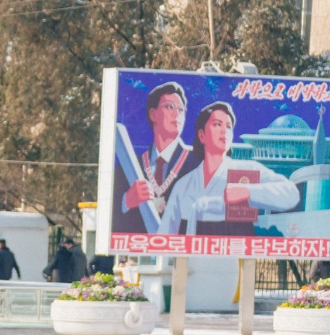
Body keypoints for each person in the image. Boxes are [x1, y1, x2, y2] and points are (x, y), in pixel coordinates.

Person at [157, 102, 299, 237]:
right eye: (217, 124)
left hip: (235, 257)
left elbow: (291, 194)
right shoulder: (183, 186)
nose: (224, 131)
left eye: (229, 126)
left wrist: (248, 192)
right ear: (202, 135)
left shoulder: (247, 170)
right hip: (191, 260)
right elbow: (165, 235)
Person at [116, 82, 193, 232]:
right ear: (153, 114)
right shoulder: (129, 167)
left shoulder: (196, 165)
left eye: (181, 109)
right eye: (170, 106)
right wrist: (126, 201)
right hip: (140, 251)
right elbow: (111, 216)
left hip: (182, 251)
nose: (176, 114)